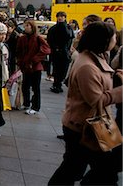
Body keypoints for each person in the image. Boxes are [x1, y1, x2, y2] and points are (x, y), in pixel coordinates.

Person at [48, 22, 122, 185]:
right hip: (85, 126)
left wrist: (115, 78)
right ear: (104, 40)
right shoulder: (87, 65)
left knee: (89, 168)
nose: (116, 39)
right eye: (114, 37)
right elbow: (96, 100)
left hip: (98, 122)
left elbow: (101, 82)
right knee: (90, 169)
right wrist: (118, 93)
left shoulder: (98, 57)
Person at [16, 19, 51, 115]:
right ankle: (26, 103)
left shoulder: (38, 38)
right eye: (25, 25)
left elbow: (46, 49)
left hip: (35, 67)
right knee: (25, 86)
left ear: (32, 27)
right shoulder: (22, 38)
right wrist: (20, 62)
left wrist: (35, 59)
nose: (25, 27)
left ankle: (35, 106)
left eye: (27, 25)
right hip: (26, 66)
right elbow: (18, 51)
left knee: (35, 88)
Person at [47, 11, 74, 93]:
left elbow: (70, 38)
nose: (60, 17)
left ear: (65, 17)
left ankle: (59, 83)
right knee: (56, 69)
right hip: (56, 52)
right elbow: (50, 40)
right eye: (59, 16)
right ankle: (56, 84)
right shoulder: (53, 28)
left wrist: (69, 49)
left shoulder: (68, 28)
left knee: (63, 69)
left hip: (65, 52)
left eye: (62, 16)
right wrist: (55, 48)